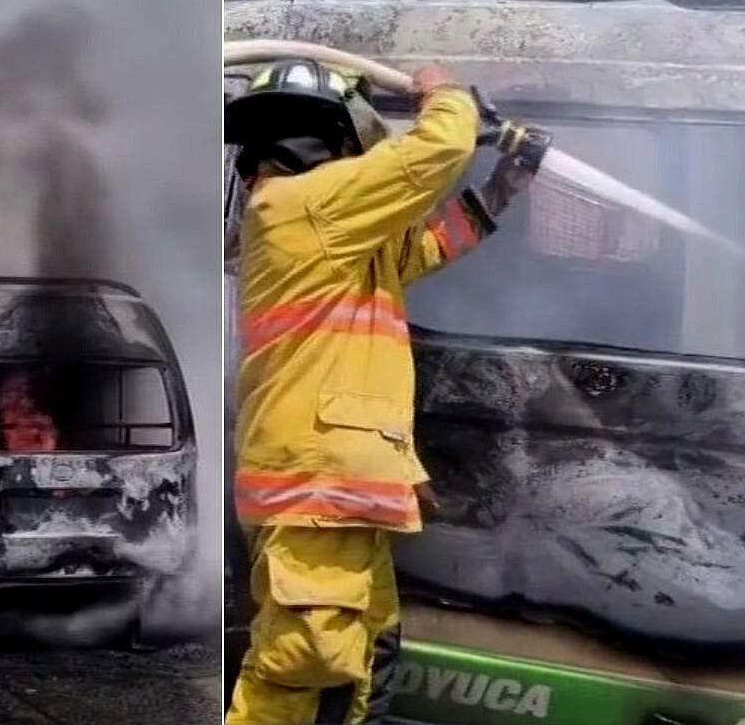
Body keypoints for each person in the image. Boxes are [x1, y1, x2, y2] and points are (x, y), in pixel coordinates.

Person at [224, 60, 535, 724]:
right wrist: (444, 92)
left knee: (366, 648)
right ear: (334, 142)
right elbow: (441, 148)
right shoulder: (300, 204)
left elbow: (421, 249)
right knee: (303, 665)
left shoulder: (327, 232)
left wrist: (505, 187)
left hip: (335, 492)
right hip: (316, 492)